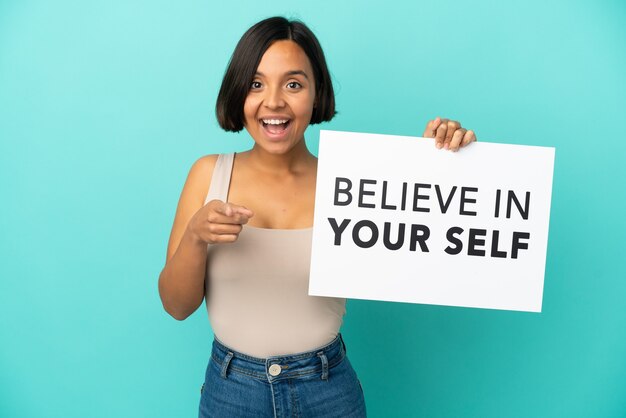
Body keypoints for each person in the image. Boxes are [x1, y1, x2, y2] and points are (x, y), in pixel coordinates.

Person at [158, 16, 476, 418]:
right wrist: (195, 236)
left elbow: (425, 239)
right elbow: (176, 305)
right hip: (232, 392)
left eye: (293, 84)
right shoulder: (209, 174)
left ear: (316, 93)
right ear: (238, 91)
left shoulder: (351, 186)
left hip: (328, 393)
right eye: (257, 84)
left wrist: (449, 163)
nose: (274, 101)